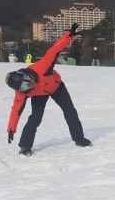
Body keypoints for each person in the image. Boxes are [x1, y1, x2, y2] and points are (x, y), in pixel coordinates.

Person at [5, 23, 91, 156]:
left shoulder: (43, 66)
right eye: (24, 88)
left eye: (28, 84)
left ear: (26, 76)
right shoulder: (22, 92)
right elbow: (16, 110)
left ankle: (79, 139)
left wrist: (69, 35)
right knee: (35, 118)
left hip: (56, 87)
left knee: (70, 111)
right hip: (40, 94)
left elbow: (55, 49)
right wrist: (11, 129)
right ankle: (25, 146)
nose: (28, 87)